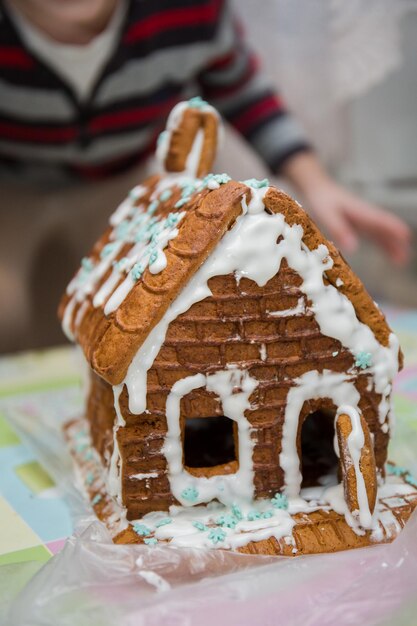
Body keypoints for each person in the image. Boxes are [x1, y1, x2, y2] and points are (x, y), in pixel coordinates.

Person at [0, 0, 411, 351]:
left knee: (112, 316)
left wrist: (314, 181)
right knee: (10, 314)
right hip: (12, 184)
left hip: (119, 182)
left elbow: (240, 88)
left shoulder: (190, 9)